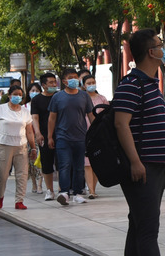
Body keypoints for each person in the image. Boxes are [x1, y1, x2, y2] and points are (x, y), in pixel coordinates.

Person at [114, 29, 165, 256]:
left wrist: (162, 166)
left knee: (138, 223)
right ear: (151, 52)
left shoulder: (151, 84)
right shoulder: (131, 84)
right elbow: (120, 124)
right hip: (141, 167)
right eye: (160, 45)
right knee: (149, 226)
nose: (164, 49)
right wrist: (136, 162)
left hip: (155, 166)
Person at [0, 85, 38, 210]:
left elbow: (29, 131)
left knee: (22, 174)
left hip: (21, 146)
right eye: (15, 94)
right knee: (2, 174)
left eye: (20, 95)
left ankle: (19, 200)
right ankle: (0, 196)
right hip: (4, 145)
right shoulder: (0, 109)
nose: (17, 97)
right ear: (9, 95)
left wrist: (33, 147)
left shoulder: (25, 112)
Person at [48, 68, 94, 205]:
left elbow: (91, 115)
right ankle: (64, 192)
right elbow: (52, 119)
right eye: (70, 77)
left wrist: (96, 133)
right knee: (65, 165)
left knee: (79, 167)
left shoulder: (84, 96)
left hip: (81, 137)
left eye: (75, 77)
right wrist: (50, 136)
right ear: (64, 81)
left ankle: (78, 193)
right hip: (63, 138)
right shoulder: (57, 97)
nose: (74, 79)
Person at [30, 73, 59, 201]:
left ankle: (64, 189)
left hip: (61, 134)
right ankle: (50, 190)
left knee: (62, 163)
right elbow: (35, 118)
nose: (54, 84)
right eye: (51, 82)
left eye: (55, 82)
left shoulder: (59, 96)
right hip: (44, 135)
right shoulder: (36, 100)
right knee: (46, 163)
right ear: (44, 85)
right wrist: (37, 133)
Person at [82, 74, 109, 198]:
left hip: (99, 134)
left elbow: (108, 115)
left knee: (98, 161)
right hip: (84, 133)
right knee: (87, 163)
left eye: (93, 82)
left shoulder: (102, 99)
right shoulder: (81, 98)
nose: (91, 85)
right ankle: (91, 190)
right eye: (89, 83)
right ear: (84, 85)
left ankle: (93, 187)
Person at [25, 84, 43, 193]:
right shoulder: (25, 107)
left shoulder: (43, 105)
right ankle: (34, 184)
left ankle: (40, 184)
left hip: (40, 136)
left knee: (40, 161)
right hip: (28, 138)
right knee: (31, 162)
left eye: (37, 90)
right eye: (33, 90)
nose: (35, 92)